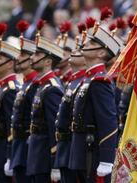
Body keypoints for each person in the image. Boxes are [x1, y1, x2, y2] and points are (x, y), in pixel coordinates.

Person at [68, 19, 119, 183]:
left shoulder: (100, 81)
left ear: (101, 53)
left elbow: (109, 121)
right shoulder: (89, 79)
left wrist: (106, 158)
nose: (86, 44)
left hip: (92, 150)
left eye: (92, 43)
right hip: (81, 149)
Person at [27, 22, 64, 183]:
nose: (31, 58)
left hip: (44, 157)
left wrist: (55, 162)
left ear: (48, 61)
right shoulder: (41, 85)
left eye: (36, 54)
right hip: (36, 154)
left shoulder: (52, 88)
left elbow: (55, 128)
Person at [54, 31, 86, 183]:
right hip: (66, 149)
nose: (74, 52)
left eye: (79, 50)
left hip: (78, 148)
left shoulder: (85, 83)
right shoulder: (72, 82)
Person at [9, 20, 39, 183]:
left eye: (22, 55)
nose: (17, 58)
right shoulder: (26, 84)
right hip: (20, 149)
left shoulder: (35, 85)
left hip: (29, 150)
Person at [0, 33, 20, 183]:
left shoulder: (11, 90)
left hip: (3, 153)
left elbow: (11, 126)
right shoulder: (4, 88)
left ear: (9, 64)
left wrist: (9, 155)